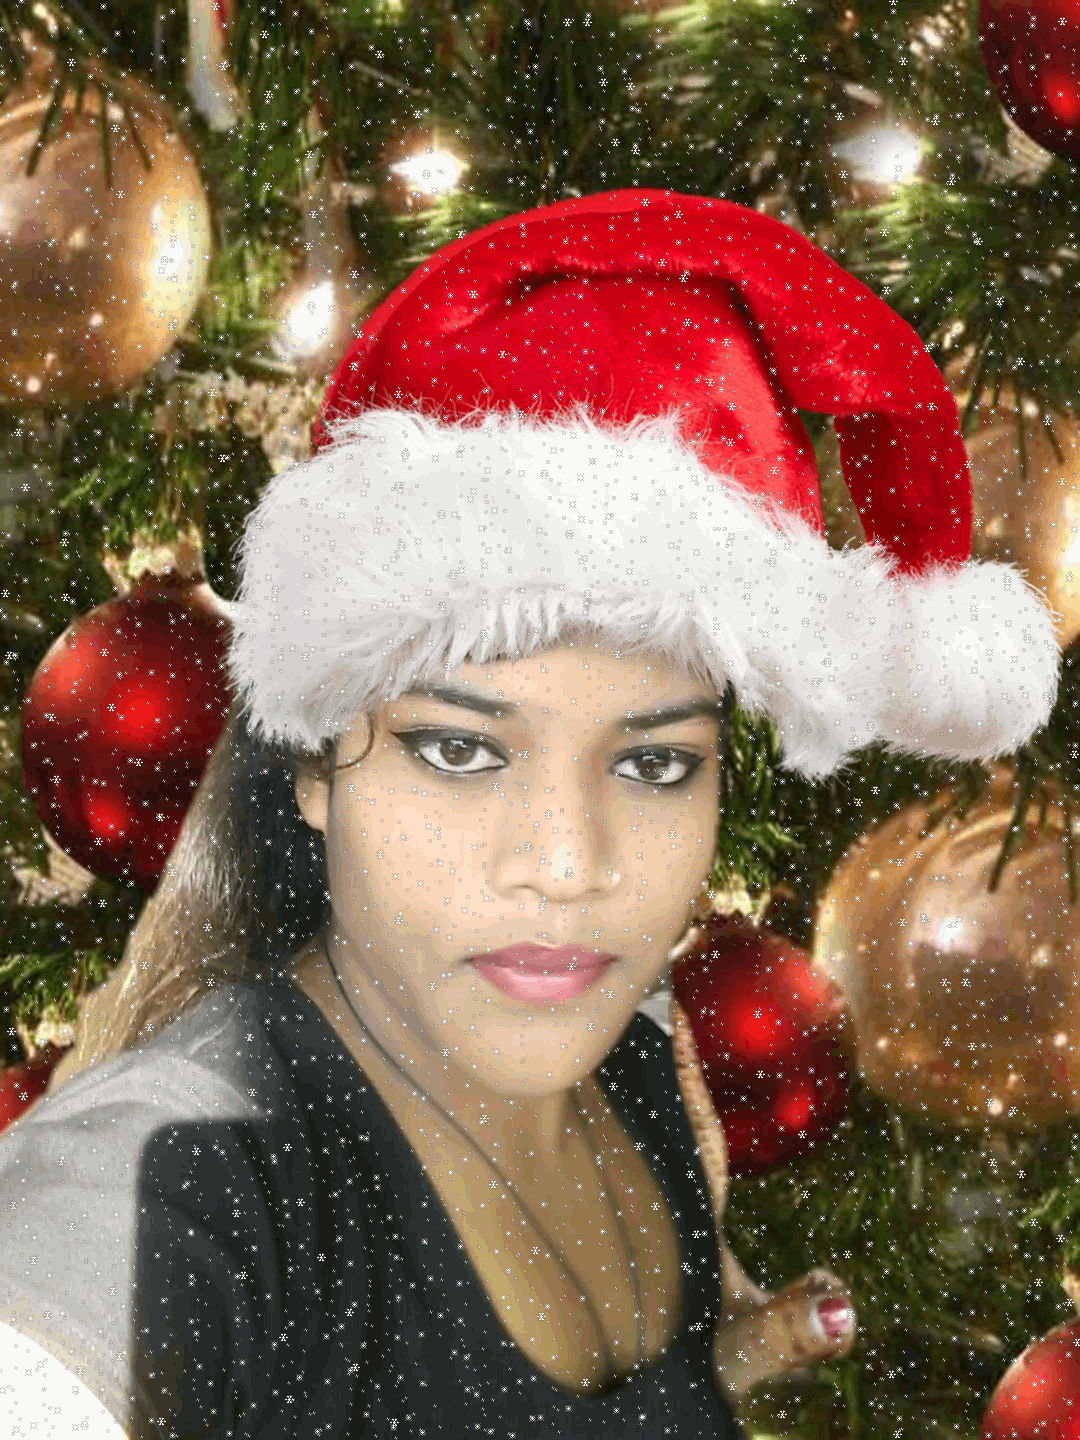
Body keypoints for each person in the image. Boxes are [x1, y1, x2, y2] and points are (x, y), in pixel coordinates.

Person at [0, 188, 1059, 1439]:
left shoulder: (637, 1067)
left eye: (653, 764)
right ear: (315, 767)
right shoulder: (187, 1166)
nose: (568, 864)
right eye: (460, 750)